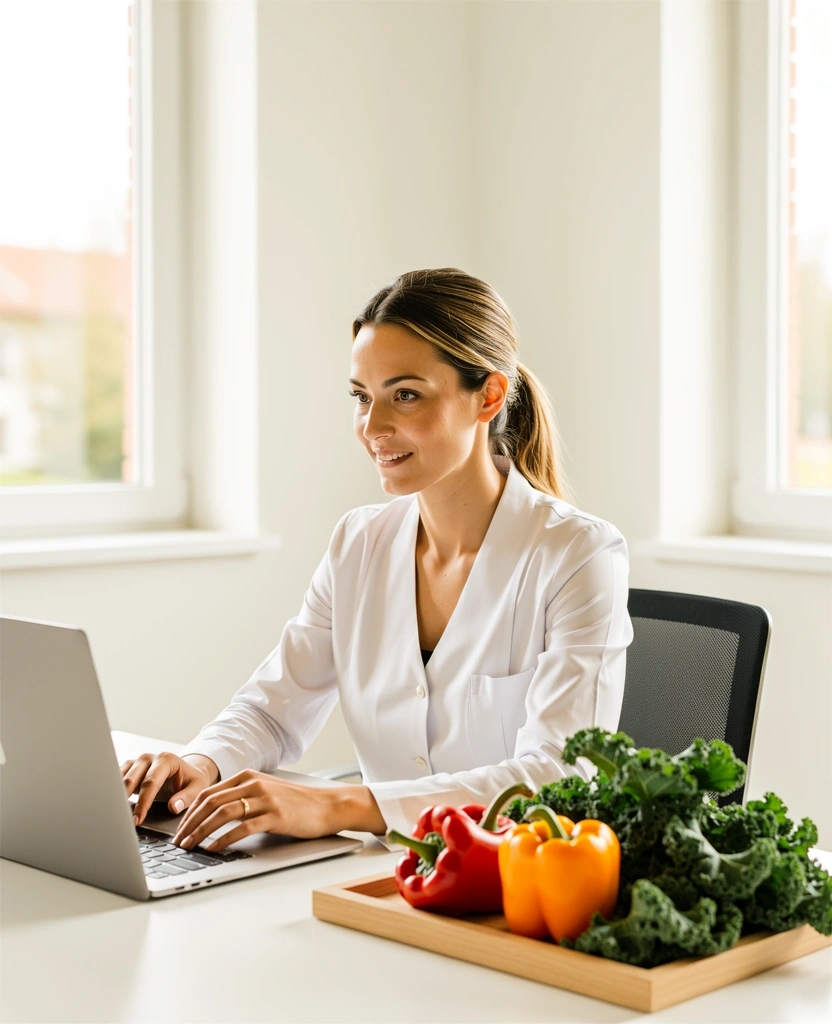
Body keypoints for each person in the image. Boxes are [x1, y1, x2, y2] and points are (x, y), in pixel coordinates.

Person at [121, 267, 634, 855]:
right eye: (362, 398)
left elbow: (559, 779)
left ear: (488, 396)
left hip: (513, 890)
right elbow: (273, 707)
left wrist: (344, 805)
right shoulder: (358, 543)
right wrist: (201, 764)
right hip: (374, 884)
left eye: (405, 395)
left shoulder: (576, 553)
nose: (373, 427)